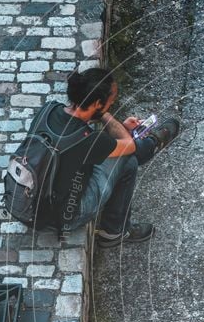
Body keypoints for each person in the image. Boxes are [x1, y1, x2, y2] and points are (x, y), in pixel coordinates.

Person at [46, 67, 179, 247]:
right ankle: (114, 232)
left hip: (32, 202)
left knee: (119, 152)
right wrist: (105, 115)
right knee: (129, 161)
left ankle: (152, 144)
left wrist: (99, 111)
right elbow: (128, 146)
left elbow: (94, 136)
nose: (112, 104)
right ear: (97, 104)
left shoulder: (50, 110)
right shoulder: (89, 140)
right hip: (68, 214)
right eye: (110, 101)